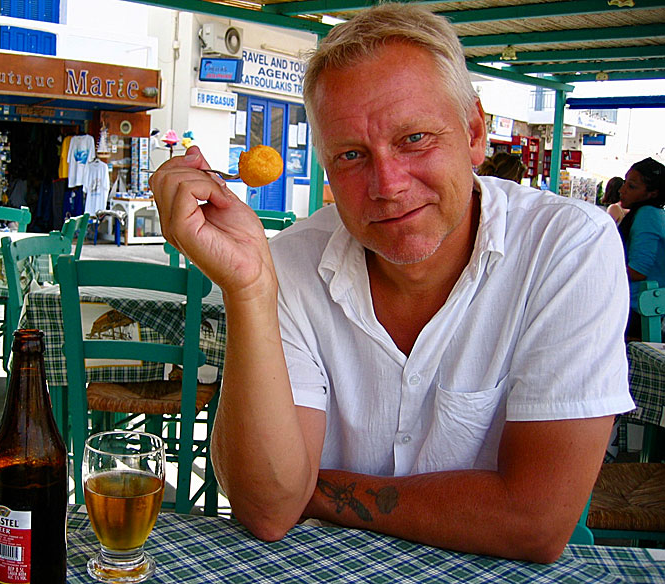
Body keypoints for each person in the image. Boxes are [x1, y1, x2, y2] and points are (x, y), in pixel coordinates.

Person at [149, 3, 632, 564]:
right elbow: (267, 508)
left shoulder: (567, 247)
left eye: (414, 139)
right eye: (352, 155)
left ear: (474, 133)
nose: (387, 185)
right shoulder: (288, 264)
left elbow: (534, 522)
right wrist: (248, 288)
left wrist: (313, 489)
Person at [617, 157, 665, 338]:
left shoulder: (647, 215)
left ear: (652, 193)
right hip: (642, 308)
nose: (622, 190)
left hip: (638, 310)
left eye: (631, 187)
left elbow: (638, 271)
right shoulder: (654, 214)